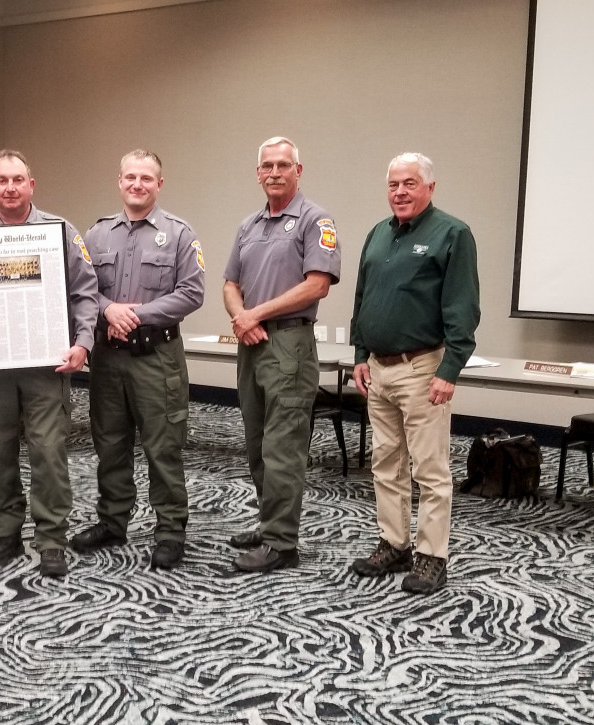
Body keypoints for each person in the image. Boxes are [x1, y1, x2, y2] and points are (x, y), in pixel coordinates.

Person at [0, 149, 98, 577]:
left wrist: (83, 343)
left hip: (47, 365)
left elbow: (86, 292)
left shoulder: (60, 232)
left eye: (18, 179)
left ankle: (51, 538)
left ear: (32, 184)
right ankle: (6, 532)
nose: (10, 187)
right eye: (2, 180)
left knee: (49, 451)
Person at [349, 152, 481, 595]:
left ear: (429, 187)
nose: (400, 192)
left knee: (430, 470)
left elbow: (463, 308)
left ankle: (431, 557)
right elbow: (363, 298)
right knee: (385, 464)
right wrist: (360, 354)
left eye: (409, 183)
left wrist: (451, 368)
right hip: (379, 370)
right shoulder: (378, 234)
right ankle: (394, 543)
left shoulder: (452, 233)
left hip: (423, 368)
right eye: (393, 185)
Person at [71, 149, 205, 570]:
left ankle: (170, 531)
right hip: (109, 360)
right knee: (110, 444)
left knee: (163, 447)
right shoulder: (96, 235)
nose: (137, 184)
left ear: (159, 184)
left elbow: (192, 292)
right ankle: (112, 521)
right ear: (119, 181)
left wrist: (133, 315)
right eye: (130, 177)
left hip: (157, 358)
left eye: (146, 178)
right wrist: (108, 310)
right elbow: (81, 288)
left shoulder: (180, 234)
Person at [223, 136, 341, 573]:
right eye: (267, 165)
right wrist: (242, 317)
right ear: (258, 173)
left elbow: (318, 284)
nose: (275, 172)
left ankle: (282, 544)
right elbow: (229, 283)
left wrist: (255, 314)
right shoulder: (248, 225)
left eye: (283, 165)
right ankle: (270, 521)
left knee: (283, 447)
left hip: (289, 344)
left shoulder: (315, 219)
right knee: (256, 443)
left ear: (298, 170)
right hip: (251, 343)